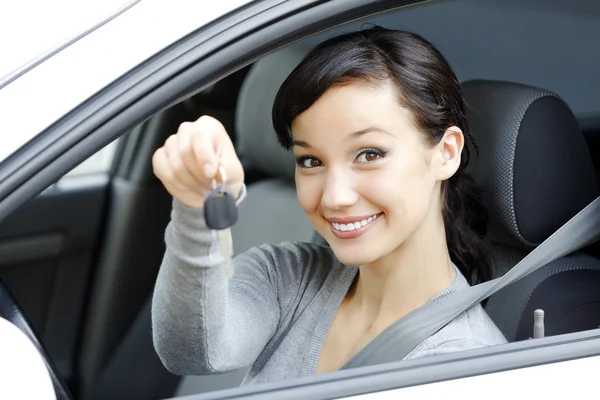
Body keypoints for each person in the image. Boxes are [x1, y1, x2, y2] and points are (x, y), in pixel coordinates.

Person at [151, 27, 507, 384]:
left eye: (370, 154)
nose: (334, 196)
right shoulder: (290, 276)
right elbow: (193, 351)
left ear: (446, 153)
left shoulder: (460, 368)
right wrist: (197, 202)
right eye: (311, 161)